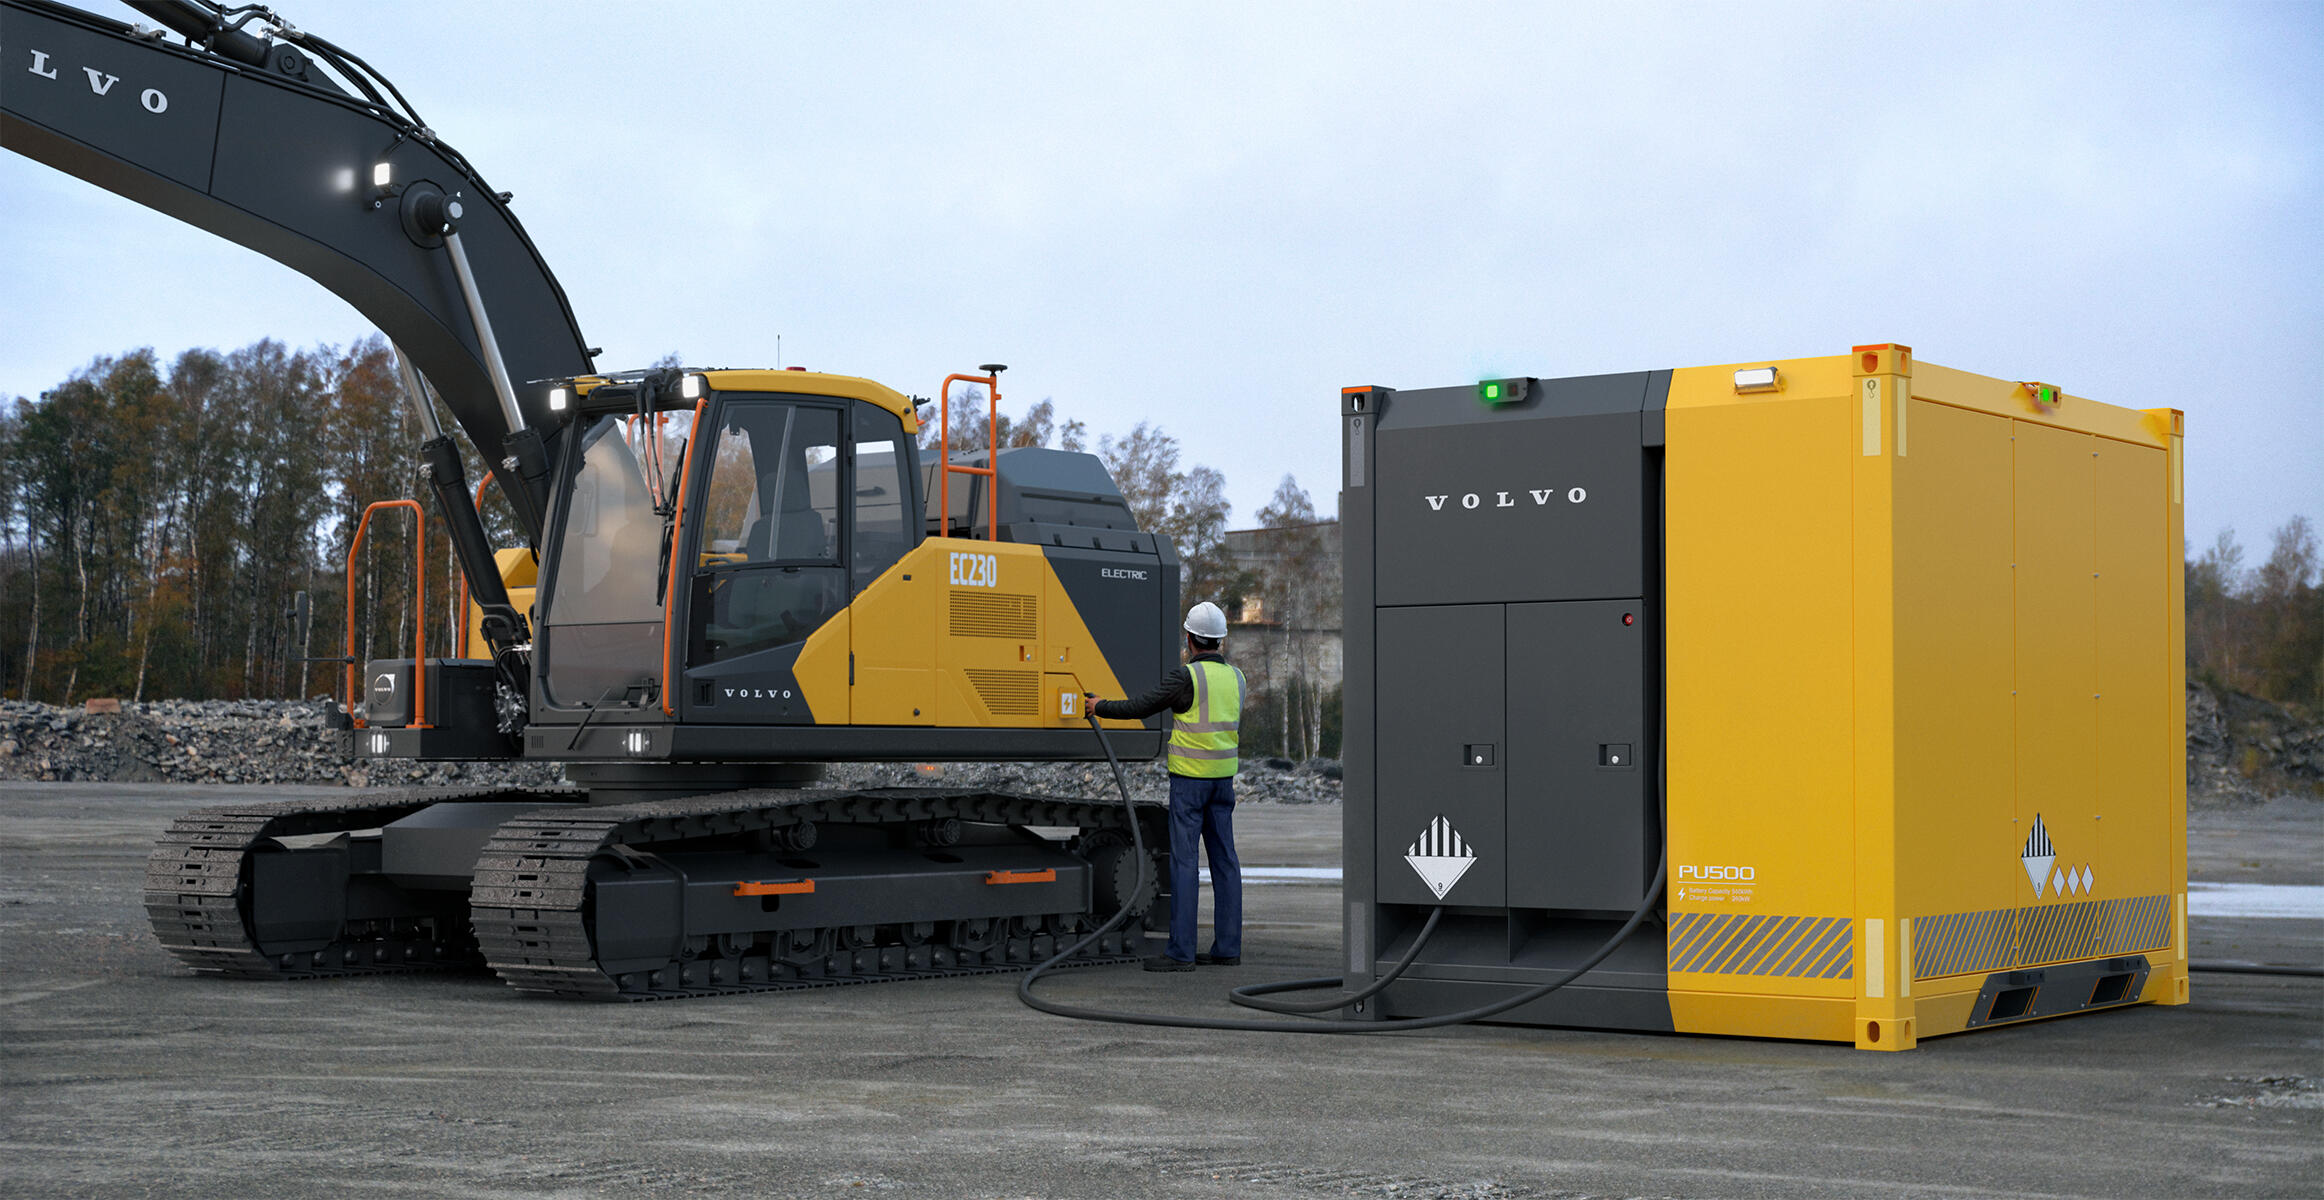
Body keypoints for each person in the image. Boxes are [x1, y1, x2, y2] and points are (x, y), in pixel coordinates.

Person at [1087, 600, 1246, 972]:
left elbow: (1142, 706)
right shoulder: (1237, 678)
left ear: (1189, 638)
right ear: (1220, 641)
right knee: (1226, 863)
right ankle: (1227, 948)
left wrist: (1100, 706)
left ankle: (1181, 953)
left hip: (1190, 783)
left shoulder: (1185, 677)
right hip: (1223, 783)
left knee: (1185, 863)